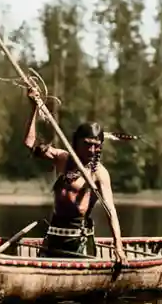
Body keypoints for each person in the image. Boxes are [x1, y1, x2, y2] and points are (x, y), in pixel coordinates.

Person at [23, 87, 128, 263]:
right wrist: (33, 107)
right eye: (87, 144)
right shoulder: (62, 158)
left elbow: (111, 211)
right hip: (53, 236)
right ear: (76, 142)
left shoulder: (99, 173)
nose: (92, 150)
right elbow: (29, 142)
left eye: (96, 145)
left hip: (79, 242)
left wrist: (119, 247)